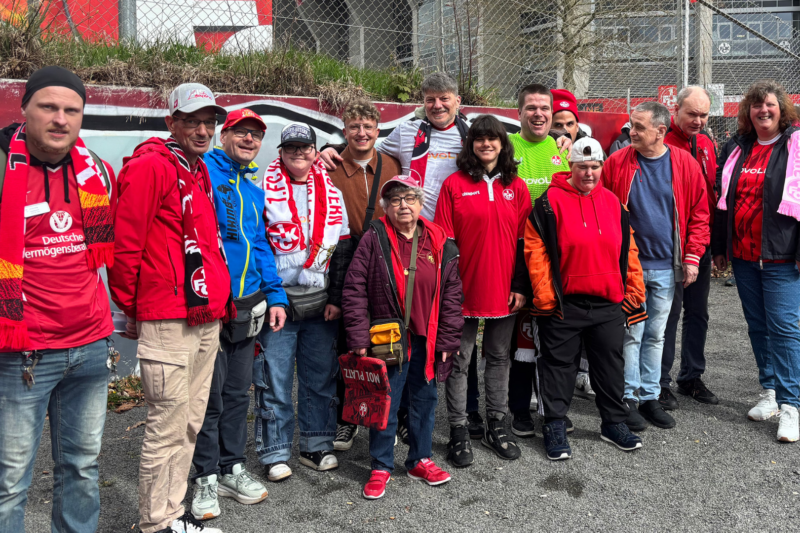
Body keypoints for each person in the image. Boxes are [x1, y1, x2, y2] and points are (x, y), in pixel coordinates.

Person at [109, 83, 234, 533]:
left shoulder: (195, 169)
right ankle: (155, 523)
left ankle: (171, 514)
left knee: (188, 422)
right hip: (167, 316)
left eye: (209, 122)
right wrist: (130, 307)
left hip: (203, 315)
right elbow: (125, 246)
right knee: (167, 424)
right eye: (192, 122)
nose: (202, 130)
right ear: (171, 123)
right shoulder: (152, 168)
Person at [0, 66, 116, 533]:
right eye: (48, 106)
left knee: (82, 471)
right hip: (22, 354)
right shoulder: (4, 170)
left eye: (72, 109)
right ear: (24, 108)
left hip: (90, 348)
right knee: (9, 481)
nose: (60, 119)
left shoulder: (98, 172)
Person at [189, 109, 289, 521]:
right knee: (207, 399)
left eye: (256, 135)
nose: (250, 140)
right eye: (241, 133)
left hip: (248, 306)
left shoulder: (252, 186)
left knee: (235, 395)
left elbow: (260, 243)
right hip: (212, 306)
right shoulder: (204, 173)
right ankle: (204, 476)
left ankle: (231, 467)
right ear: (223, 135)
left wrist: (276, 295)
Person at [342, 174, 463, 499]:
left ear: (421, 202)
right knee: (386, 401)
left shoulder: (440, 241)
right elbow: (354, 288)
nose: (403, 205)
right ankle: (380, 466)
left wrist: (449, 340)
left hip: (429, 337)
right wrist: (357, 334)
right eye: (394, 200)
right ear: (385, 206)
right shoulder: (375, 236)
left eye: (409, 198)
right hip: (388, 336)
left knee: (425, 400)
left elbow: (452, 297)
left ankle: (420, 459)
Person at [525, 137, 646, 460]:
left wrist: (634, 290)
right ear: (571, 167)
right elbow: (535, 253)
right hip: (564, 305)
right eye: (582, 167)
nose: (588, 173)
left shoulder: (614, 204)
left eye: (594, 167)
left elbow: (629, 251)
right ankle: (554, 424)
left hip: (608, 303)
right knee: (558, 367)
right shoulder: (549, 203)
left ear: (602, 167)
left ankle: (613, 423)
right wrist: (547, 298)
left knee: (609, 367)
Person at [254, 122, 354, 482]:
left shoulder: (334, 193)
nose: (298, 153)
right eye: (291, 148)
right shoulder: (262, 191)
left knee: (319, 377)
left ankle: (317, 443)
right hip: (279, 303)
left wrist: (337, 297)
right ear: (280, 153)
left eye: (305, 147)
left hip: (320, 301)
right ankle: (274, 451)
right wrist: (270, 296)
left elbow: (341, 251)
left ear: (316, 152)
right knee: (273, 379)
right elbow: (259, 247)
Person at [602, 101, 709, 432]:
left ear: (661, 131)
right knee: (631, 334)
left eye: (638, 127)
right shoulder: (618, 162)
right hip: (631, 268)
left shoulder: (684, 165)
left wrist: (692, 258)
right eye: (631, 125)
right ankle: (628, 398)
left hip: (666, 267)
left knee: (656, 335)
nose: (631, 132)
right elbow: (602, 207)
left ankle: (650, 397)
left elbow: (699, 214)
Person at [434, 115, 532, 466]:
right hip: (463, 290)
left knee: (499, 357)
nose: (486, 144)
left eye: (493, 139)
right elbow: (446, 243)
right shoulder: (453, 185)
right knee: (458, 361)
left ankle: (496, 424)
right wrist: (449, 290)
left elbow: (525, 241)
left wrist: (520, 284)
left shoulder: (516, 186)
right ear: (470, 144)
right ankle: (459, 430)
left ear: (503, 144)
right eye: (479, 138)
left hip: (504, 289)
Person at [712, 80, 800, 442]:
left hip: (781, 256)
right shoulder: (737, 147)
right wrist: (720, 247)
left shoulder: (794, 144)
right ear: (747, 112)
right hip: (745, 256)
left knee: (785, 330)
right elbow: (722, 200)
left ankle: (792, 404)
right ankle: (771, 392)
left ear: (782, 109)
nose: (763, 111)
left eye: (770, 105)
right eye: (756, 106)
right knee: (758, 327)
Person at [326, 99, 402, 452]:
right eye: (354, 126)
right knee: (349, 343)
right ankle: (349, 417)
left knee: (387, 338)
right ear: (345, 130)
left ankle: (391, 415)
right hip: (343, 258)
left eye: (368, 127)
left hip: (383, 260)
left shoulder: (392, 166)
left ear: (377, 130)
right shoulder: (329, 166)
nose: (361, 133)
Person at [506, 84, 572, 438]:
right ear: (518, 113)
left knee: (556, 337)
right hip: (517, 256)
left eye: (544, 107)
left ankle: (553, 407)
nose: (538, 113)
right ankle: (519, 409)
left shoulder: (562, 150)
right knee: (523, 338)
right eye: (530, 107)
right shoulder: (506, 147)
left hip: (557, 258)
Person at [660, 86, 720, 409]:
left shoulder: (708, 143)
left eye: (704, 115)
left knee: (698, 313)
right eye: (692, 114)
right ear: (676, 109)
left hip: (703, 241)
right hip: (673, 245)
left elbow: (711, 196)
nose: (698, 120)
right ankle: (660, 381)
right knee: (668, 314)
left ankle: (691, 376)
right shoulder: (662, 144)